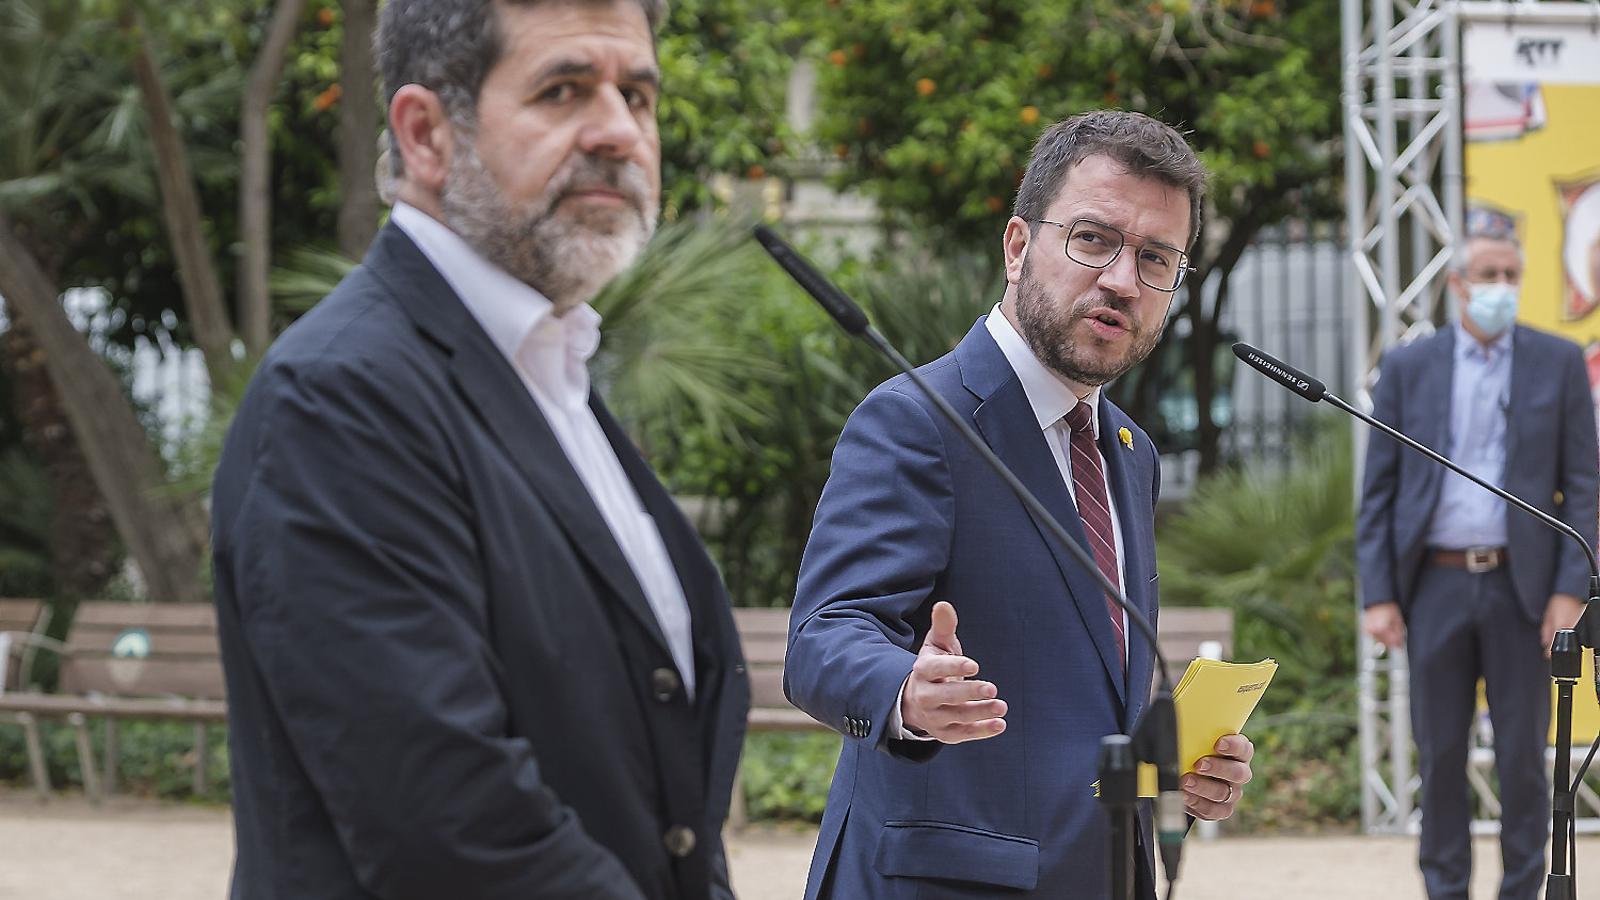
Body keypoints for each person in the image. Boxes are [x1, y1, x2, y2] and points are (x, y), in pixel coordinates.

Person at [209, 2, 750, 898]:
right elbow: (450, 829)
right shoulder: (340, 400)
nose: (619, 131)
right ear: (426, 134)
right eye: (564, 89)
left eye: (639, 97)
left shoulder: (553, 373)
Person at [783, 110, 1255, 900]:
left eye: (1156, 259)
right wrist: (904, 689)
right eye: (1093, 240)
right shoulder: (918, 418)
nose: (1121, 280)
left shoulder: (1130, 453)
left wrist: (1174, 767)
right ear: (1016, 246)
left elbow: (1085, 691)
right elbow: (823, 640)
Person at [1357, 231, 1597, 900]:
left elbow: (1582, 485)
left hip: (1524, 590)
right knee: (1439, 756)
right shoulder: (1410, 367)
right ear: (1458, 285)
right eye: (1489, 273)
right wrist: (1378, 593)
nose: (1502, 285)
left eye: (1512, 273)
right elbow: (1379, 487)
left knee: (1524, 760)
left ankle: (1522, 889)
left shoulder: (1557, 360)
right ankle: (1446, 889)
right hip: (1433, 583)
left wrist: (1568, 592)